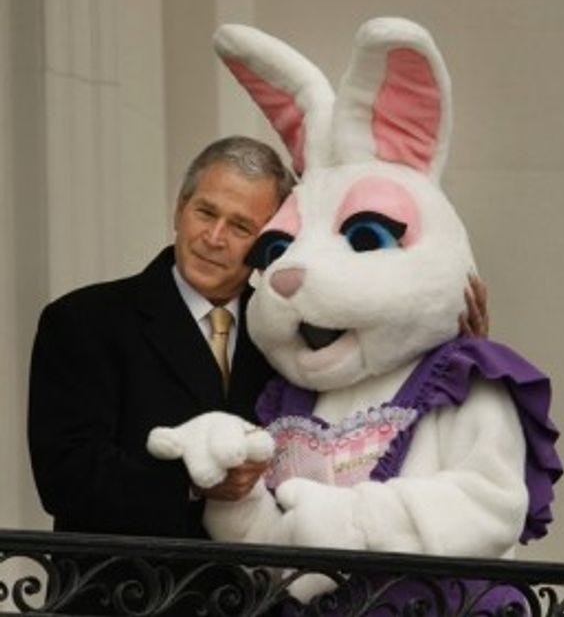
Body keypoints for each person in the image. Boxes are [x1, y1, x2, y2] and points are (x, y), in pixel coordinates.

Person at [29, 134, 488, 539]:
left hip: (256, 593)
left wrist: (461, 354)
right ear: (179, 209)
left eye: (240, 227)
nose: (214, 237)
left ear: (272, 240)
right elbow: (64, 477)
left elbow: (373, 409)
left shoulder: (295, 336)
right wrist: (194, 484)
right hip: (124, 593)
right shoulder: (84, 321)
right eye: (205, 212)